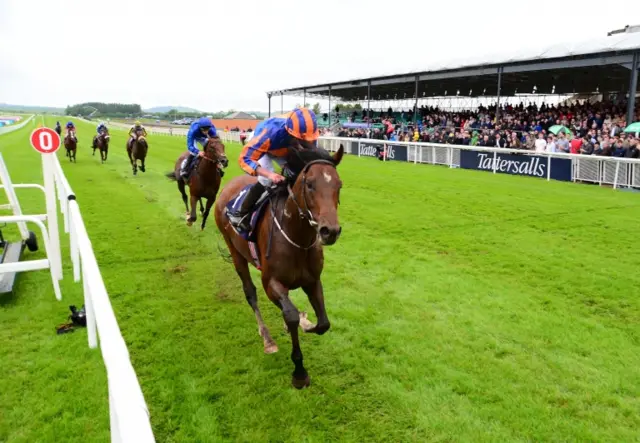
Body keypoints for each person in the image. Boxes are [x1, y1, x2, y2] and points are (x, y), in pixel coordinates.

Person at [227, 107, 319, 232]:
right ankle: (240, 214)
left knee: (297, 173)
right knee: (267, 180)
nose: (306, 143)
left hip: (284, 147)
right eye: (301, 140)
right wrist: (270, 175)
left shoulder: (309, 134)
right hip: (265, 146)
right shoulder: (270, 133)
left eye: (307, 140)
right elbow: (244, 159)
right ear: (290, 131)